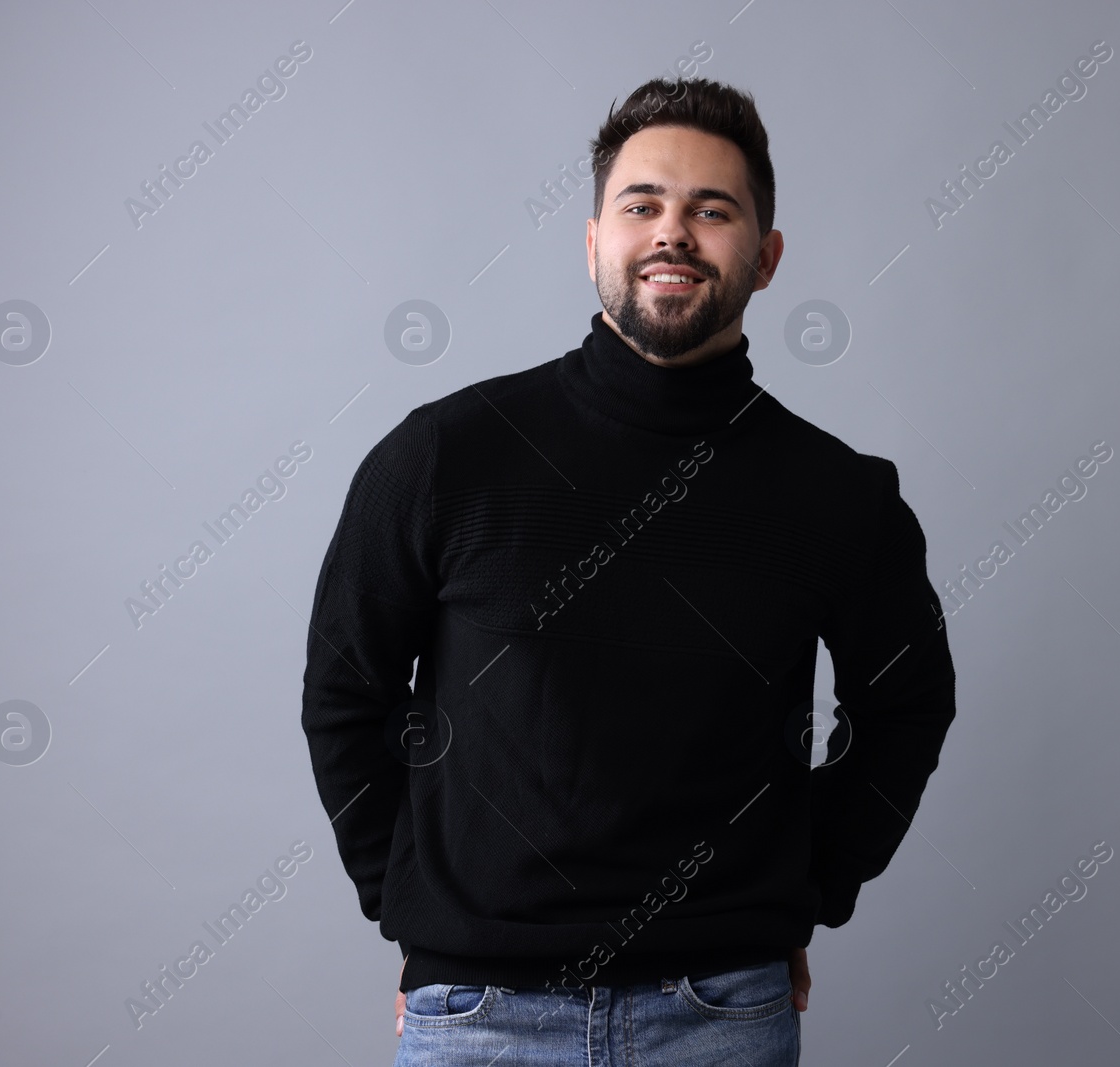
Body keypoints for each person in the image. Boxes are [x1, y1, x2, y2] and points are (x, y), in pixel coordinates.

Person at [300, 75, 957, 1066]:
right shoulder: (446, 457)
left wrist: (807, 886)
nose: (672, 233)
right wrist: (410, 907)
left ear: (767, 256)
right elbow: (345, 690)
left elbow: (907, 703)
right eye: (641, 204)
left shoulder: (836, 493)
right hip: (480, 1015)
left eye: (712, 210)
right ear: (593, 240)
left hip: (721, 1015)